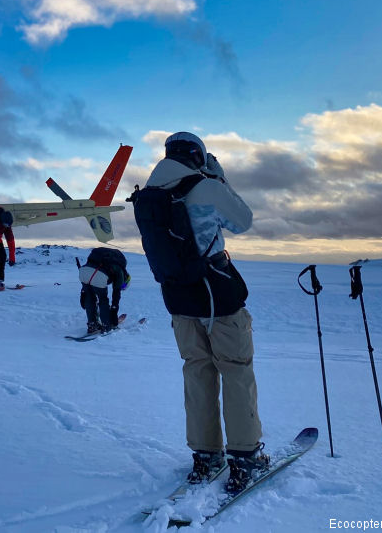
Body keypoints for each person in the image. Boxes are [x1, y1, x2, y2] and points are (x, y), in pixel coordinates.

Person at [141, 131, 267, 493]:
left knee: (197, 372)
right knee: (236, 370)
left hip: (179, 298)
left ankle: (206, 455)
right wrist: (219, 178)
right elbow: (242, 220)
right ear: (199, 155)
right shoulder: (206, 186)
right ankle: (245, 458)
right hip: (217, 294)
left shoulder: (150, 195)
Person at [78, 247, 131, 334]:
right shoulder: (120, 272)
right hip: (98, 274)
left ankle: (92, 325)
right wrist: (114, 310)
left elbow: (90, 271)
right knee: (103, 300)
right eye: (124, 285)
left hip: (83, 272)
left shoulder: (110, 262)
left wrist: (83, 292)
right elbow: (116, 294)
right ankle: (106, 326)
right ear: (126, 279)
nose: (122, 286)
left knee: (89, 298)